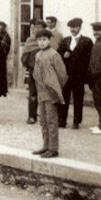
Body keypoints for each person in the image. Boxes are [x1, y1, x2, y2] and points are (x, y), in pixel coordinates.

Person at [31, 29, 68, 159]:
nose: (41, 42)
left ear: (49, 40)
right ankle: (46, 145)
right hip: (41, 92)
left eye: (44, 40)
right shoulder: (38, 55)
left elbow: (62, 75)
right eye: (39, 40)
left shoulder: (54, 55)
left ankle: (53, 148)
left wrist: (55, 88)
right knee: (43, 121)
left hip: (51, 92)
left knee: (52, 121)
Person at [57, 18, 93, 129]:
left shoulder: (87, 41)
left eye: (76, 27)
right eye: (71, 27)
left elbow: (89, 59)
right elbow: (58, 55)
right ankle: (62, 121)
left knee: (78, 98)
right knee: (63, 98)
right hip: (66, 75)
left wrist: (86, 75)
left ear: (80, 27)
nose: (73, 29)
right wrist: (64, 56)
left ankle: (76, 122)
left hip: (79, 75)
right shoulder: (65, 41)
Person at [21, 19, 47, 124]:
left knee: (46, 95)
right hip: (33, 72)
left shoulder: (47, 41)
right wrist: (29, 64)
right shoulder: (30, 41)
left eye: (39, 28)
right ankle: (32, 116)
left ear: (44, 29)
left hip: (46, 72)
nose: (36, 30)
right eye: (34, 28)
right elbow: (24, 57)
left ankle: (45, 116)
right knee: (32, 94)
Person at [0, 21, 10, 98]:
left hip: (2, 57)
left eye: (0, 26)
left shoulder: (6, 36)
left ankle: (3, 90)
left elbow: (7, 46)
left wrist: (3, 51)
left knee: (2, 74)